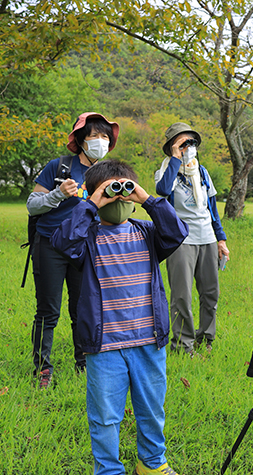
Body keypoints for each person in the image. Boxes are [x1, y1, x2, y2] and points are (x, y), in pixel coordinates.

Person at [51, 160, 188, 475]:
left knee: (152, 410)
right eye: (110, 191)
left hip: (148, 342)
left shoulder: (147, 232)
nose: (119, 198)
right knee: (105, 415)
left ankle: (152, 463)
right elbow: (62, 241)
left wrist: (147, 200)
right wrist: (91, 203)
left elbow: (177, 231)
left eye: (124, 190)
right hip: (105, 345)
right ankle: (108, 469)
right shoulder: (87, 238)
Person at [26, 112, 119, 388]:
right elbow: (32, 205)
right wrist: (58, 194)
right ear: (80, 139)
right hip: (51, 245)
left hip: (84, 248)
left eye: (105, 136)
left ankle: (84, 363)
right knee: (48, 311)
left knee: (83, 309)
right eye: (94, 136)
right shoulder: (58, 166)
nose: (100, 141)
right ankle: (43, 368)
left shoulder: (108, 172)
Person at [155, 122, 230, 354]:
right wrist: (176, 159)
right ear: (172, 147)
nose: (190, 147)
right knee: (182, 295)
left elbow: (212, 209)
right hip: (182, 240)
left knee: (210, 293)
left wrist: (221, 239)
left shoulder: (202, 171)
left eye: (192, 142)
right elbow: (162, 191)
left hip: (207, 237)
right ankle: (183, 345)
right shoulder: (167, 170)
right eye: (183, 143)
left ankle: (206, 338)